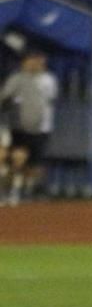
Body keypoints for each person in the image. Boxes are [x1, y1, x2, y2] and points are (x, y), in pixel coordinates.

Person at [0, 51, 58, 200]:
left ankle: (32, 189)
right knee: (17, 158)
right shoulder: (17, 79)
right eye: (31, 60)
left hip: (41, 127)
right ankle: (10, 189)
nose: (35, 64)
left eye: (38, 61)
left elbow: (50, 100)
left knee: (36, 162)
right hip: (19, 126)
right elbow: (5, 97)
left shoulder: (49, 80)